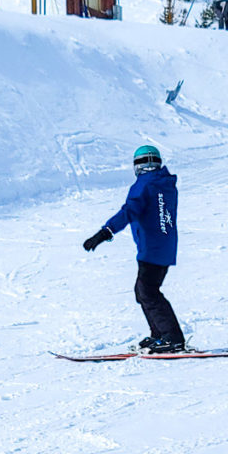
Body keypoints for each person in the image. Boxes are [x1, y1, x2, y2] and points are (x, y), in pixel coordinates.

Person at [83, 145, 185, 353]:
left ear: (138, 166)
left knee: (148, 291)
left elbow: (129, 211)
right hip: (164, 245)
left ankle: (172, 337)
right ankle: (159, 334)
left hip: (151, 248)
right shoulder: (165, 184)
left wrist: (105, 232)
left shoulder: (144, 185)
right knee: (143, 290)